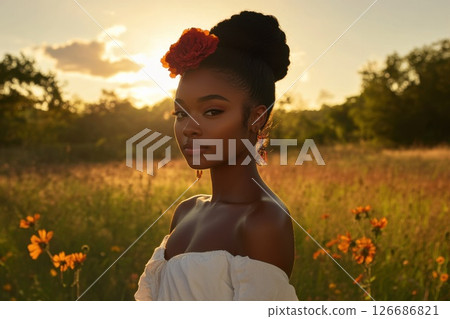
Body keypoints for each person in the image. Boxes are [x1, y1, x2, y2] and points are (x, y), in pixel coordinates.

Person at [135, 10, 299, 301]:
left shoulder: (263, 221)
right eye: (181, 113)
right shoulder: (186, 211)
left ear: (256, 118)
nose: (188, 129)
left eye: (212, 111)